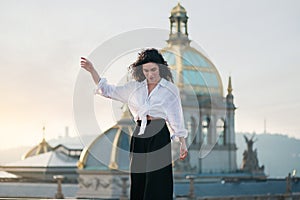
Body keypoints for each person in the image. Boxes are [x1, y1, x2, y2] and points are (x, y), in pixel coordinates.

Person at [80, 48, 188, 200]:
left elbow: (176, 118)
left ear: (161, 68)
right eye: (146, 70)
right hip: (140, 133)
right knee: (139, 180)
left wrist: (182, 142)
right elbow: (106, 90)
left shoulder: (170, 90)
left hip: (159, 134)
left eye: (153, 70)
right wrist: (92, 70)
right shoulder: (134, 87)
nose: (150, 74)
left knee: (158, 180)